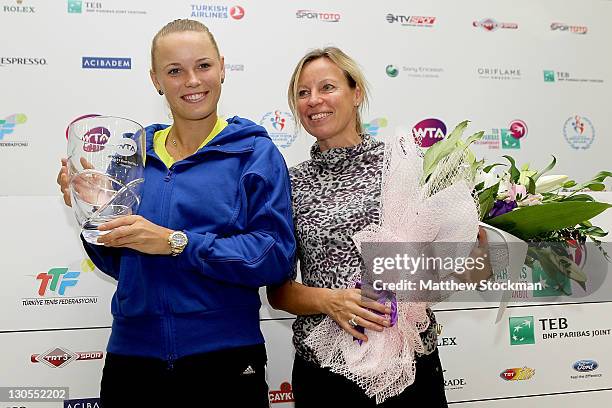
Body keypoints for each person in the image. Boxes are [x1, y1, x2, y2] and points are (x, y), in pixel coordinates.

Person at [57, 19, 295, 407]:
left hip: (225, 360)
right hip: (132, 360)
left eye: (202, 66)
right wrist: (94, 214)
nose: (191, 80)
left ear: (221, 67)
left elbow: (274, 258)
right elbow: (119, 262)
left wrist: (175, 243)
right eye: (174, 71)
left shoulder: (255, 153)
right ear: (156, 80)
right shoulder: (133, 155)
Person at [267, 47, 490, 407]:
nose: (314, 101)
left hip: (410, 366)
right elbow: (278, 292)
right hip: (326, 373)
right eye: (303, 93)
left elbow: (470, 274)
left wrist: (476, 254)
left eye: (327, 87)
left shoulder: (406, 165)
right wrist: (332, 301)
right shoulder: (290, 184)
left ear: (356, 94)